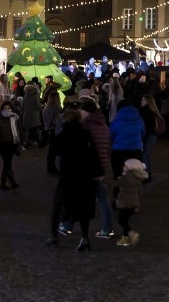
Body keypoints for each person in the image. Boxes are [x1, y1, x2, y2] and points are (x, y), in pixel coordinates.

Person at [46, 106, 104, 252]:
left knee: (58, 204)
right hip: (85, 175)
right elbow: (93, 154)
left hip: (68, 175)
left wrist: (52, 168)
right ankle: (85, 237)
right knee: (83, 206)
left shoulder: (63, 135)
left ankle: (54, 234)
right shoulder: (85, 134)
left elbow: (52, 153)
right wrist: (99, 171)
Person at [79, 98, 115, 239]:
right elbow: (107, 147)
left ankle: (67, 224)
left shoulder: (87, 126)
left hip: (90, 166)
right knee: (102, 197)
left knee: (77, 195)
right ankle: (107, 228)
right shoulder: (103, 124)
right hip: (101, 165)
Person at [109, 99, 145, 198]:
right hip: (136, 151)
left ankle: (118, 199)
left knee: (118, 175)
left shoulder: (116, 121)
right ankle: (133, 202)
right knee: (135, 176)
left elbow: (111, 135)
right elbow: (143, 133)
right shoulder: (139, 120)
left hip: (119, 151)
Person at [114, 158, 148, 247]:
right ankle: (125, 238)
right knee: (124, 220)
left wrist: (103, 179)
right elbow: (140, 192)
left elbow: (115, 183)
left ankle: (130, 233)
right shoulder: (138, 178)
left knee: (122, 220)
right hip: (133, 203)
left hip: (125, 202)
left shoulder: (125, 178)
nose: (123, 167)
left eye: (125, 166)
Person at [0, 100, 22, 190]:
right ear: (2, 108)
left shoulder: (14, 117)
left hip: (12, 143)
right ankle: (12, 183)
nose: (7, 110)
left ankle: (4, 184)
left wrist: (20, 140)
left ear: (11, 109)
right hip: (3, 144)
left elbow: (18, 129)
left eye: (9, 108)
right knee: (7, 163)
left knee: (7, 163)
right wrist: (1, 137)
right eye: (5, 108)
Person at [138, 93, 161, 181]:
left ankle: (146, 174)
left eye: (143, 100)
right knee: (147, 155)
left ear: (147, 102)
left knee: (144, 155)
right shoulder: (153, 112)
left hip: (149, 136)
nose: (141, 101)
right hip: (152, 136)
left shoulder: (147, 112)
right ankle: (148, 173)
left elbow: (146, 127)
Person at [21, 82, 42, 149]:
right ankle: (40, 142)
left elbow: (22, 106)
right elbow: (38, 106)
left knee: (27, 130)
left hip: (26, 115)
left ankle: (25, 143)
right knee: (36, 129)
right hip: (34, 115)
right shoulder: (35, 97)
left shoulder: (25, 96)